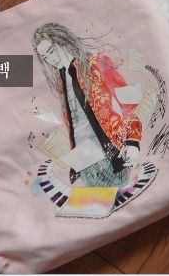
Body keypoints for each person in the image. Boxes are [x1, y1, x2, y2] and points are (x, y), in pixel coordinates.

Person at [32, 23, 141, 188]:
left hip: (108, 150)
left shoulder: (95, 64)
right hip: (83, 157)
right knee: (97, 200)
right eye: (45, 57)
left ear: (63, 42)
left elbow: (129, 102)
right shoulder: (62, 82)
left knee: (114, 195)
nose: (50, 59)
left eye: (51, 51)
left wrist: (133, 142)